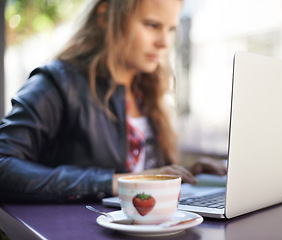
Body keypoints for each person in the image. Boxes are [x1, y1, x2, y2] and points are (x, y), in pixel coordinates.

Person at [0, 0, 226, 203]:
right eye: (152, 25)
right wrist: (115, 182)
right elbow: (4, 165)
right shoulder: (57, 83)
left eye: (171, 29)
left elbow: (142, 177)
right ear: (105, 16)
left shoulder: (148, 92)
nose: (164, 42)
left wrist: (185, 173)